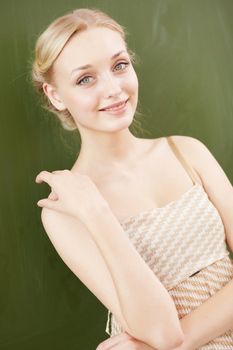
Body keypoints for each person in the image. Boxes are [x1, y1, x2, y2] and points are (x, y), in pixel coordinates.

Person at [32, 8, 233, 350]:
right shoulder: (64, 212)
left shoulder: (186, 152)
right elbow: (161, 332)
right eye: (85, 79)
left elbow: (167, 342)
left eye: (119, 65)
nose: (113, 89)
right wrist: (97, 212)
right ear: (55, 95)